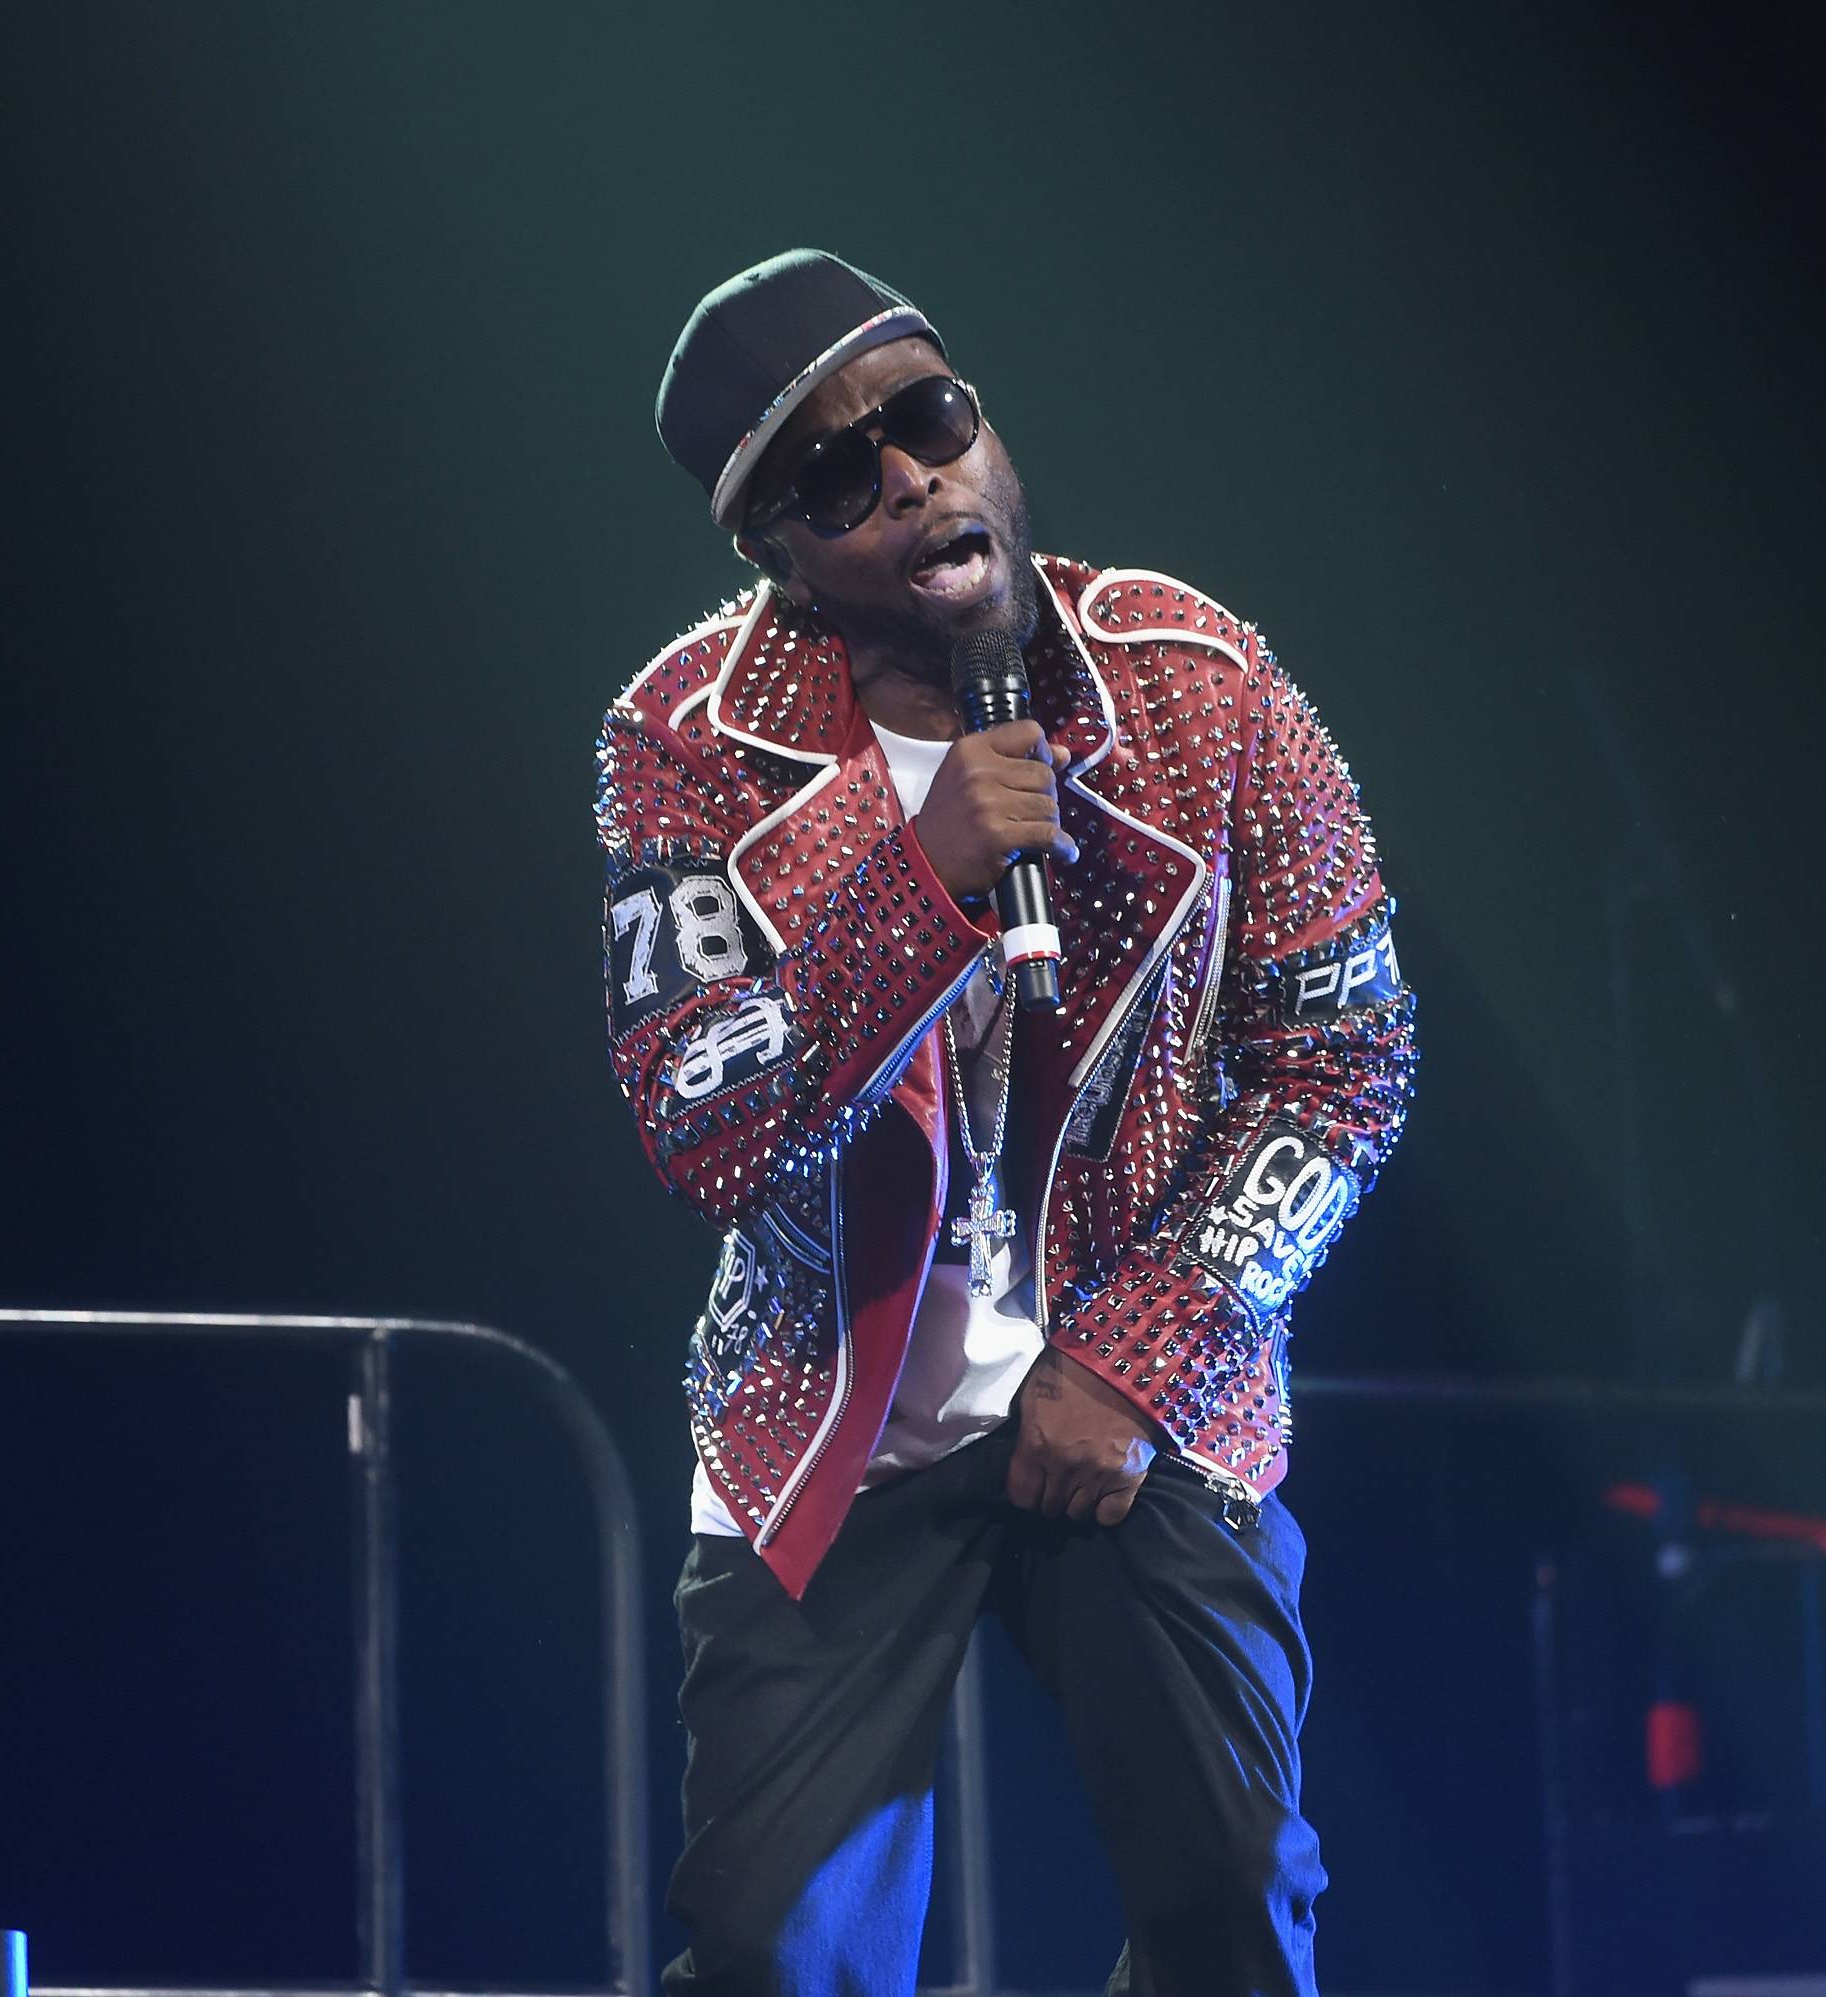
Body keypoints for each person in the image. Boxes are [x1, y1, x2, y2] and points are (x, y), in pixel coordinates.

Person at [597, 249, 1418, 1997]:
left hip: (1141, 1391)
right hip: (829, 1417)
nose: (910, 473)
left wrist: (1145, 1352)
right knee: (766, 1952)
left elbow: (1347, 1052)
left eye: (929, 416)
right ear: (781, 554)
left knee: (1231, 1899)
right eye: (840, 471)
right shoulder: (682, 739)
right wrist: (922, 885)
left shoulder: (1197, 682)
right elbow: (701, 1127)